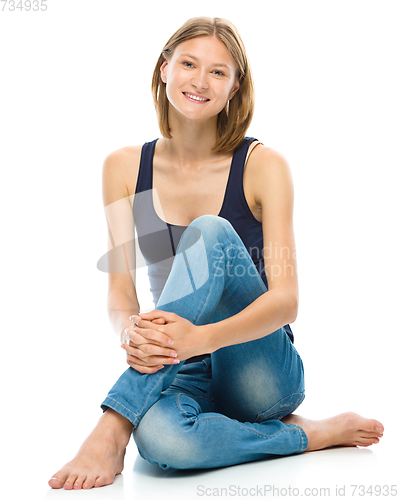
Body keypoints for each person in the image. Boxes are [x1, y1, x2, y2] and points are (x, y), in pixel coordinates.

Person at [48, 16, 384, 490]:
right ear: (165, 69)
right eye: (188, 63)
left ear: (234, 86)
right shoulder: (124, 168)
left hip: (259, 372)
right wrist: (131, 332)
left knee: (209, 233)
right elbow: (120, 291)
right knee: (163, 444)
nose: (199, 81)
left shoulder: (261, 165)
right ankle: (304, 435)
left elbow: (286, 301)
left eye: (218, 72)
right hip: (178, 367)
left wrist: (200, 340)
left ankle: (112, 425)